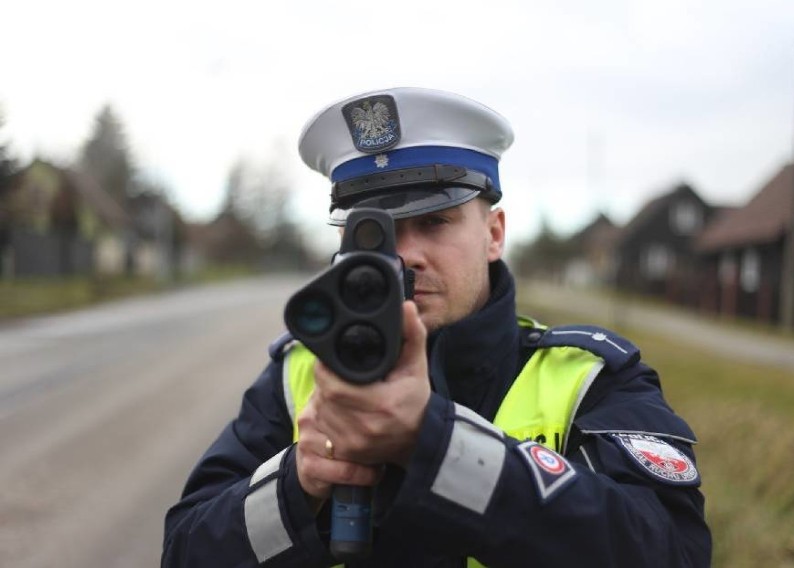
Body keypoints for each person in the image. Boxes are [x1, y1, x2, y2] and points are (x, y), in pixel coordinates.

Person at [162, 87, 711, 567]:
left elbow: (668, 552)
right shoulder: (294, 376)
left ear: (494, 232)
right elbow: (185, 550)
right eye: (372, 233)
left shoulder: (589, 380)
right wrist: (296, 484)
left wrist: (439, 444)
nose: (405, 258)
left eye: (434, 221)